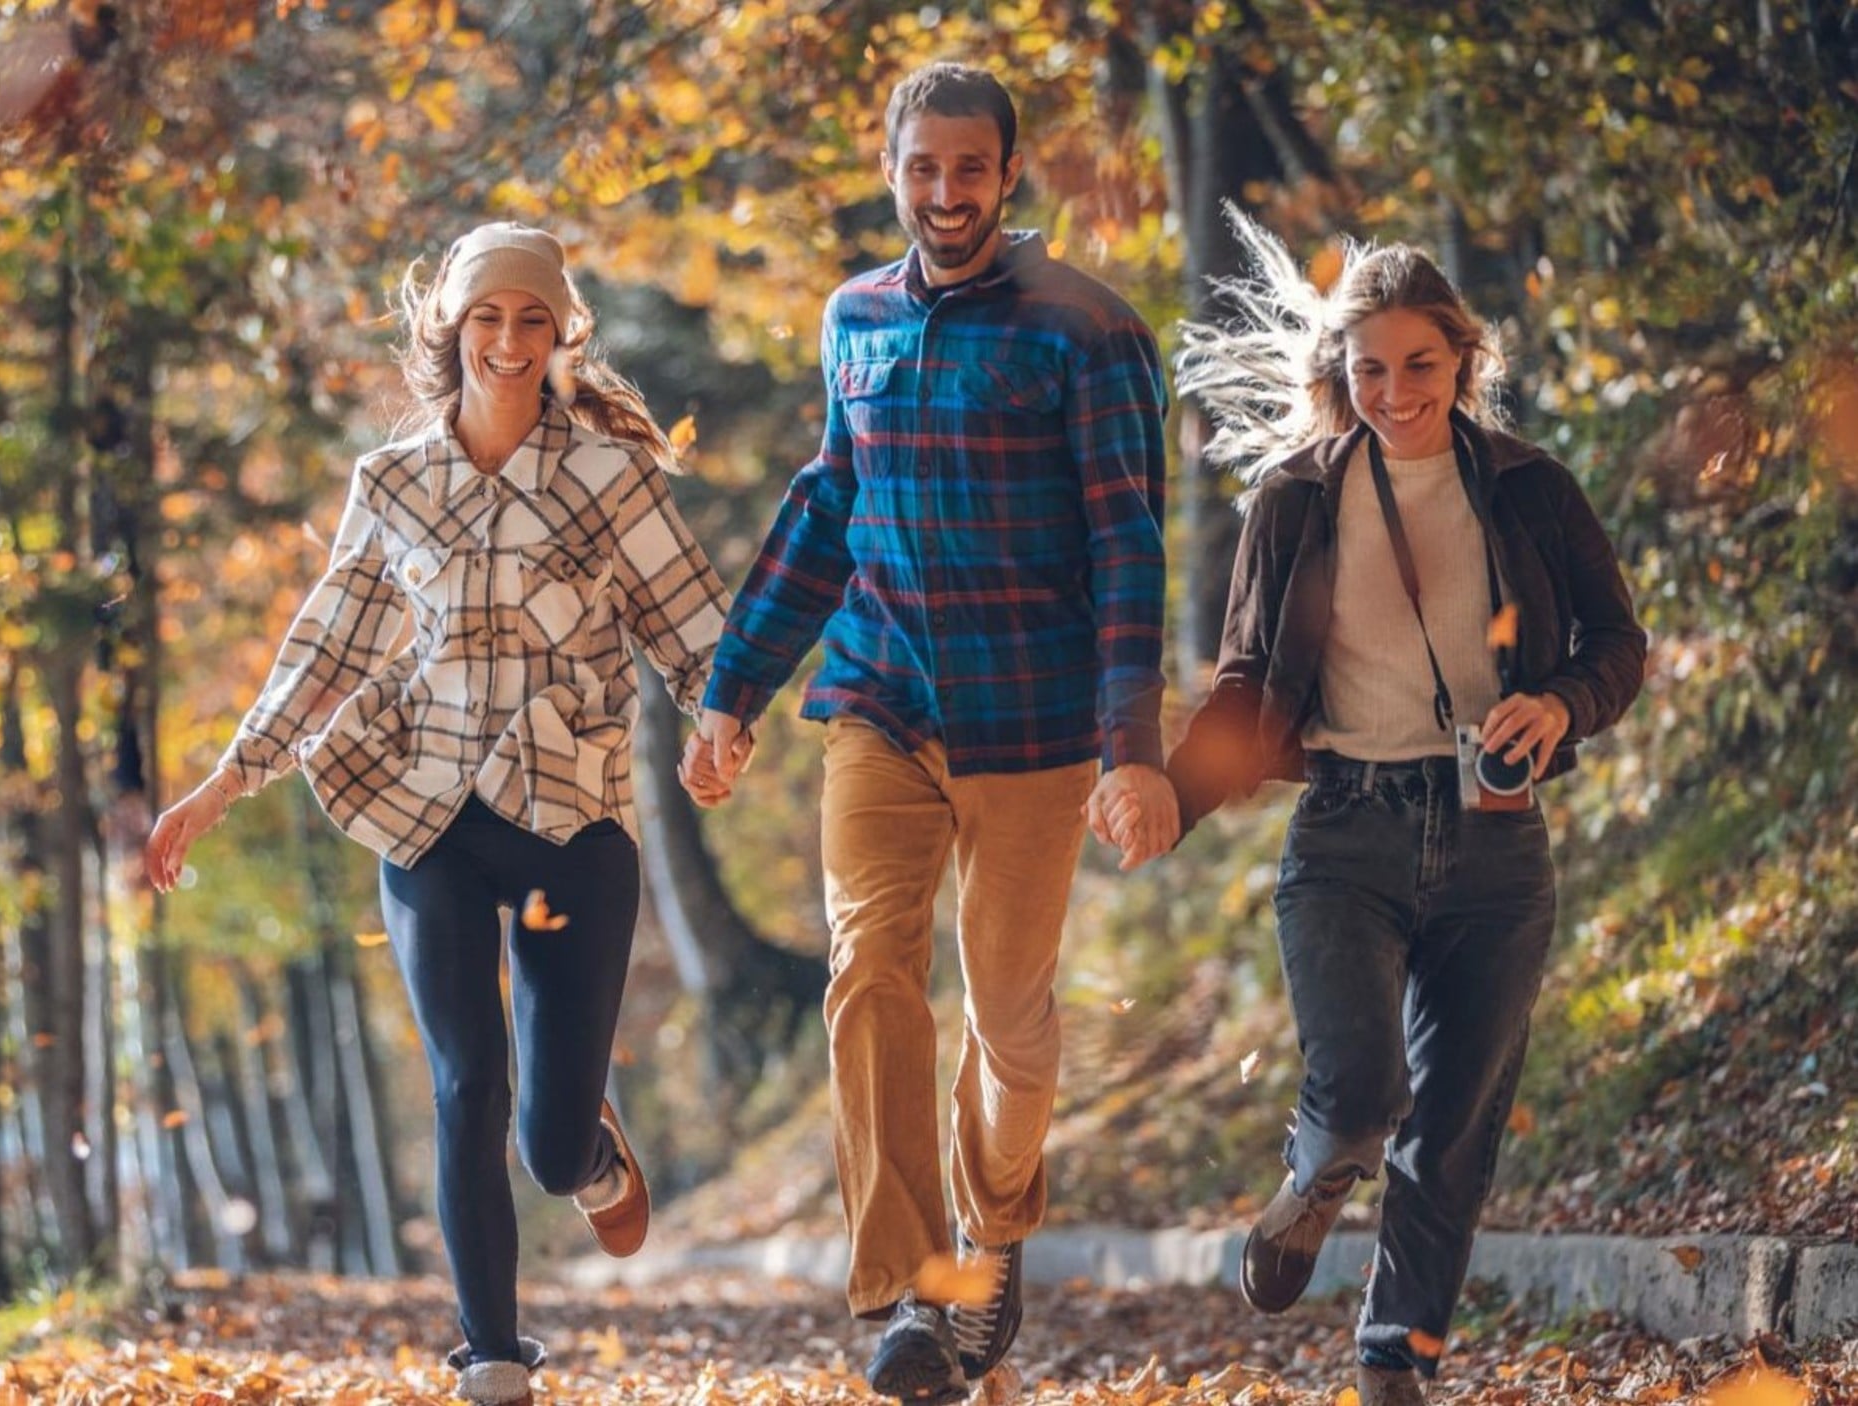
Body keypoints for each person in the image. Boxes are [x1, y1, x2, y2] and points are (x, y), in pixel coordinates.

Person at [144, 221, 732, 1406]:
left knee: (546, 1139)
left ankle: (589, 1150)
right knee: (466, 1078)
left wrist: (724, 728)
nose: (508, 341)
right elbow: (326, 644)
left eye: (530, 319)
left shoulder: (610, 476)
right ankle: (492, 1351)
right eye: (485, 318)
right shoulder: (391, 481)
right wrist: (222, 782)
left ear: (559, 332)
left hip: (571, 816)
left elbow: (697, 625)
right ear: (448, 330)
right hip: (427, 809)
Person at [683, 62, 1172, 1403]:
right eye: (922, 168)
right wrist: (731, 690)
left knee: (1008, 1019)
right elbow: (828, 504)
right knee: (869, 969)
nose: (945, 192)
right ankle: (912, 1290)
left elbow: (1130, 544)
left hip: (1033, 719)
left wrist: (1130, 741)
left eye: (971, 168)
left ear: (1009, 174)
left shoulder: (1089, 330)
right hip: (882, 701)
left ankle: (993, 1226)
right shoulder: (854, 318)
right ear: (889, 169)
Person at [1099, 211, 1646, 1406]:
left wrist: (1559, 706)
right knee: (1356, 1092)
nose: (1395, 392)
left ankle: (1396, 1357)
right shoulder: (1295, 500)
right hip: (1345, 827)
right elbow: (1245, 682)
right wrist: (1166, 795)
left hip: (1497, 843)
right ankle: (1312, 1177)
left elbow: (1616, 643)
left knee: (1450, 1131)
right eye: (1370, 369)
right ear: (1337, 373)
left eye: (1420, 365)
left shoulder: (1528, 489)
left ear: (1463, 362)